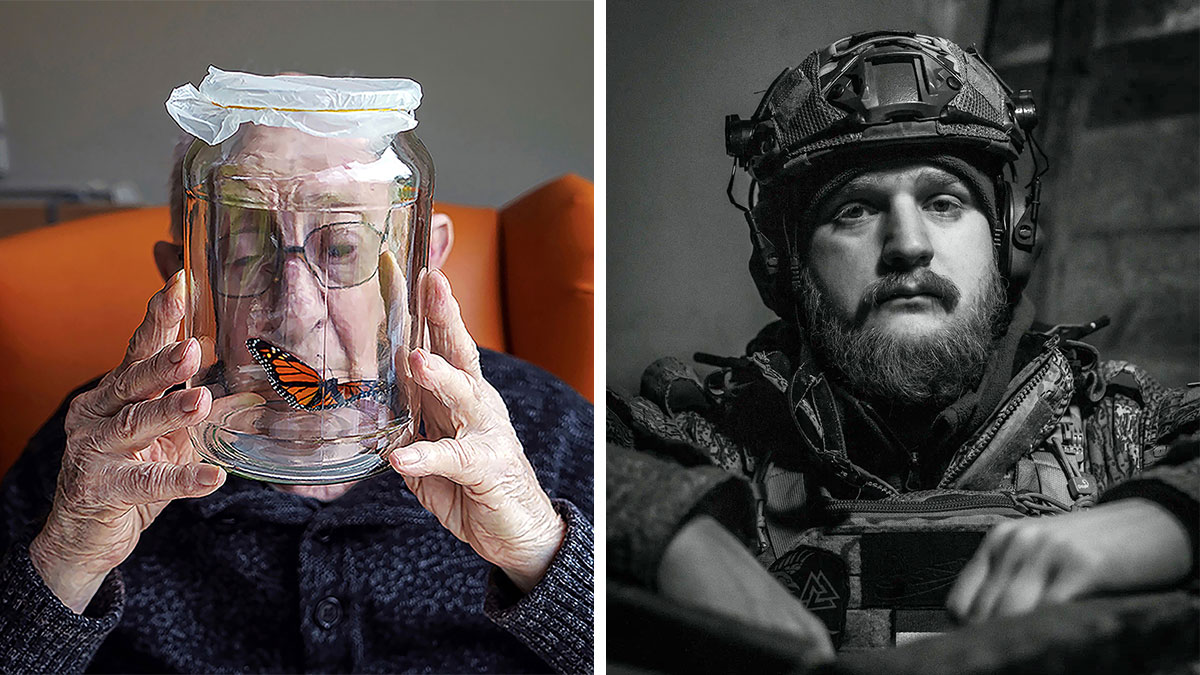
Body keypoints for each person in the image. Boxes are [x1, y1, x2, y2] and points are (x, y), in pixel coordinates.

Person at [607, 30, 1197, 665]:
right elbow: (547, 455)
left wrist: (1172, 515)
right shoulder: (711, 441)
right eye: (855, 211)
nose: (909, 245)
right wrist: (668, 526)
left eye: (944, 202)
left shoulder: (1120, 434)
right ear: (787, 263)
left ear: (1009, 241)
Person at [0, 127, 594, 673]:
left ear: (424, 261)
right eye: (242, 255)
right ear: (182, 274)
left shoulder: (542, 424)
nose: (296, 311)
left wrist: (537, 548)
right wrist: (68, 559)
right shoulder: (106, 446)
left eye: (341, 250)